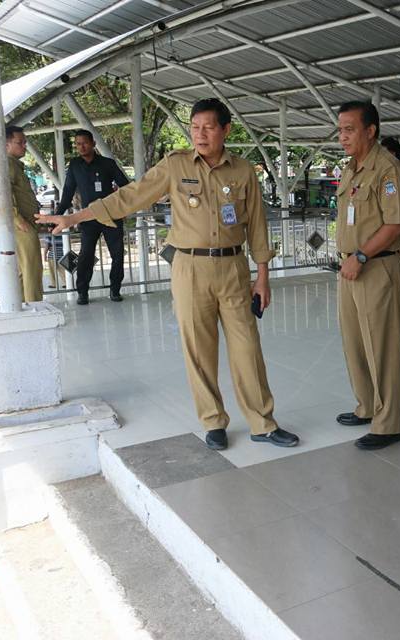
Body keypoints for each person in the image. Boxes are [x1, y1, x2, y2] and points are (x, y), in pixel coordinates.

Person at [37, 98, 298, 451]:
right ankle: (213, 422)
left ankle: (262, 423)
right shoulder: (175, 166)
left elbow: (258, 227)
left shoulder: (242, 171)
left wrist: (262, 275)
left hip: (234, 267)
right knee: (198, 350)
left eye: (208, 127)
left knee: (247, 349)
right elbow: (130, 197)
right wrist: (75, 217)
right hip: (189, 268)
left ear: (225, 130)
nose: (200, 134)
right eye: (194, 127)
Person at [333, 101, 400, 450]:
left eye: (349, 129)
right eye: (340, 130)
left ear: (370, 131)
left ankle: (388, 423)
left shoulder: (387, 169)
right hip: (349, 267)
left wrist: (363, 254)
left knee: (381, 346)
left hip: (376, 266)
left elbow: (396, 223)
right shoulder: (352, 169)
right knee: (354, 343)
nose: (342, 137)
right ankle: (366, 405)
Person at [54, 130, 130, 304]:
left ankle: (115, 290)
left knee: (117, 254)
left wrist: (121, 203)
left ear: (93, 143)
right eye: (78, 144)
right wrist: (57, 216)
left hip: (111, 216)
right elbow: (67, 193)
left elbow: (126, 186)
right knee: (86, 255)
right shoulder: (74, 165)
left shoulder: (107, 164)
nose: (81, 147)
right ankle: (82, 292)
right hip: (88, 218)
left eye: (85, 143)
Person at [5, 125, 44, 302]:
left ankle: (23, 305)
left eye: (25, 142)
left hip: (26, 222)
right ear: (6, 144)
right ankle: (34, 306)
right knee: (31, 268)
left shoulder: (14, 165)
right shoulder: (7, 164)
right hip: (21, 225)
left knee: (25, 269)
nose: (24, 146)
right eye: (20, 142)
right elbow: (5, 193)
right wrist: (17, 218)